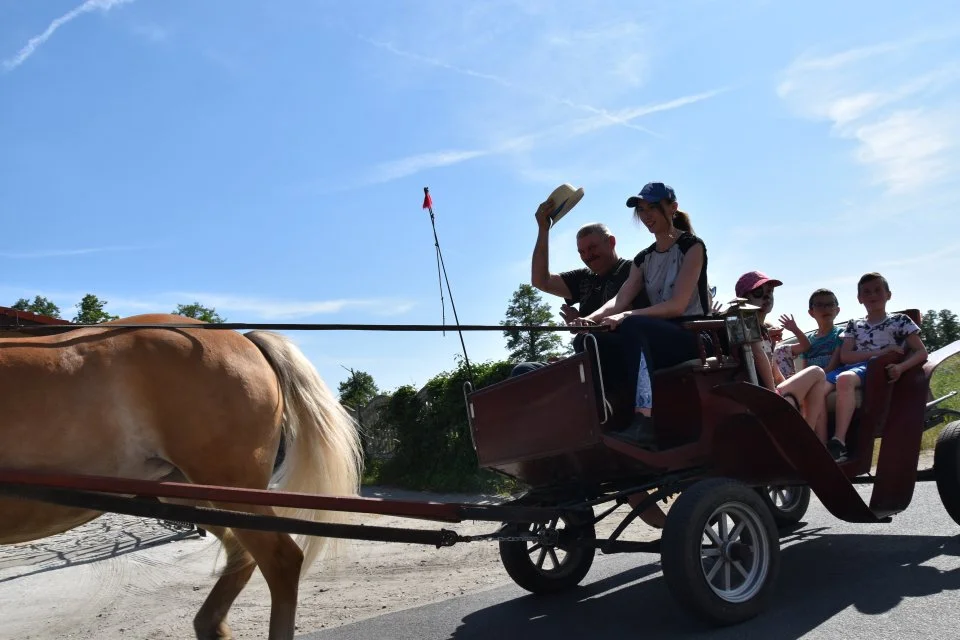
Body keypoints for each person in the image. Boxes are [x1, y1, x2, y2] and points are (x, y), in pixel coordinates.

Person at [578, 182, 712, 446]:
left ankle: (644, 421)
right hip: (660, 338)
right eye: (641, 210)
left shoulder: (692, 246)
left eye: (652, 207)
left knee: (633, 326)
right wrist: (589, 321)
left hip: (694, 337)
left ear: (672, 208)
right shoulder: (643, 258)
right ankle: (607, 413)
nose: (646, 215)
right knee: (589, 340)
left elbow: (677, 305)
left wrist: (627, 317)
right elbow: (620, 299)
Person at [511, 198, 648, 378]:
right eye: (582, 252)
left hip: (622, 355)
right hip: (587, 355)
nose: (587, 256)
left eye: (592, 248)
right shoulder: (583, 277)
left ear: (611, 242)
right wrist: (543, 230)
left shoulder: (632, 271)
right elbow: (540, 281)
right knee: (523, 371)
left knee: (590, 341)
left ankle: (606, 401)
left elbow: (627, 312)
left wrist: (586, 323)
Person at [824, 272, 928, 462]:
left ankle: (838, 442)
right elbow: (846, 356)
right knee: (815, 387)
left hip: (874, 370)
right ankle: (817, 441)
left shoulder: (900, 321)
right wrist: (880, 351)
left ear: (888, 295)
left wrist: (901, 367)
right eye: (867, 292)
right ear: (859, 298)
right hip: (853, 367)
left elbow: (921, 352)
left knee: (845, 378)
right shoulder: (854, 325)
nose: (872, 295)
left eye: (877, 290)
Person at [734, 271, 829, 442]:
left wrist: (785, 386)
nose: (766, 297)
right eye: (758, 293)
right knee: (817, 372)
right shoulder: (746, 324)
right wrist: (774, 396)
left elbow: (774, 371)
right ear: (744, 298)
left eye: (770, 293)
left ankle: (809, 437)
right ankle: (808, 439)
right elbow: (758, 355)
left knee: (815, 384)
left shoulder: (762, 331)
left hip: (766, 393)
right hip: (760, 397)